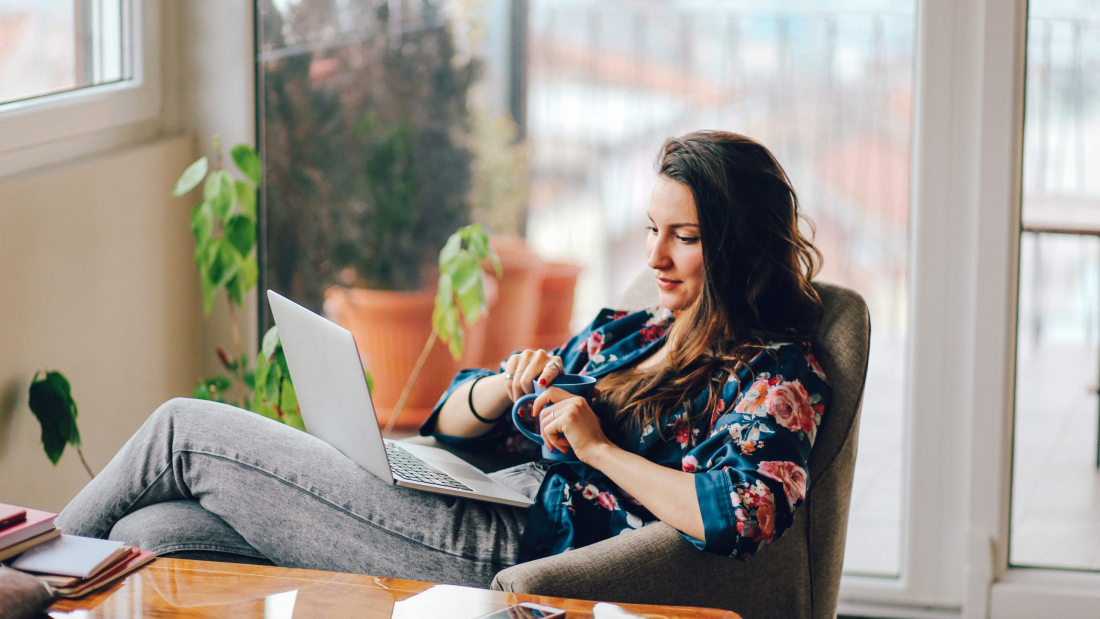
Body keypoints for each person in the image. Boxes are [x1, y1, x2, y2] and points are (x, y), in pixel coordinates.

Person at [57, 130, 831, 588]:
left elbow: (745, 512)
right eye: (652, 228)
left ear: (736, 244)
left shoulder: (777, 374)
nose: (655, 255)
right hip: (483, 494)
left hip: (515, 547)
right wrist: (503, 386)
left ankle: (16, 578)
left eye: (684, 237)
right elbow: (451, 425)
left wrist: (595, 445)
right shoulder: (636, 330)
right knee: (160, 525)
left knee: (182, 432)